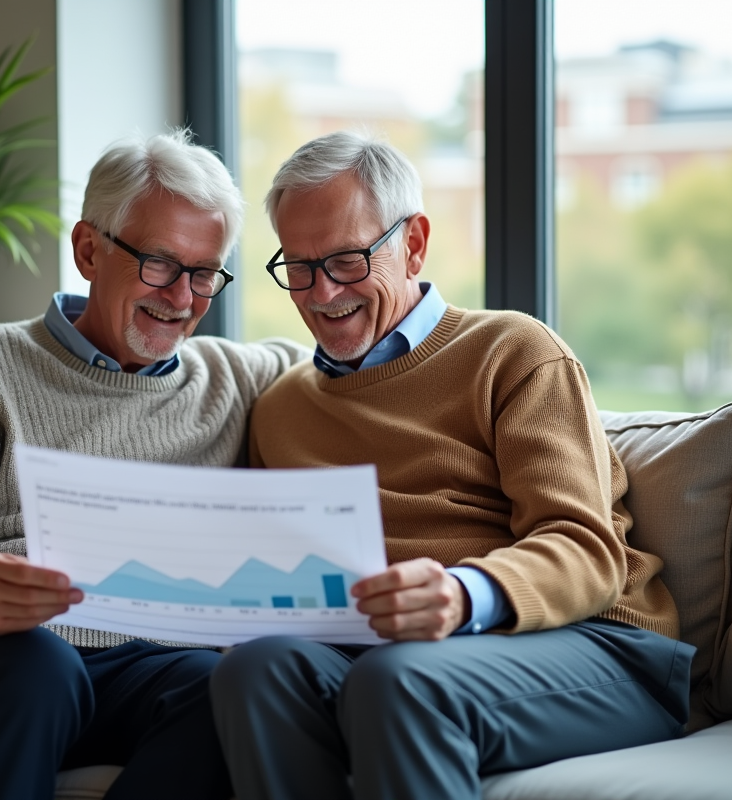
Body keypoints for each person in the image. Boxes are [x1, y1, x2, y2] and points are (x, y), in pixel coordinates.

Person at [209, 131, 694, 800]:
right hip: (393, 652)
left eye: (347, 260)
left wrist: (465, 593)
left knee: (398, 681)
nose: (321, 293)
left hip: (596, 643)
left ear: (412, 244)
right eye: (298, 266)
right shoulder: (282, 407)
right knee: (253, 672)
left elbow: (587, 550)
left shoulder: (512, 352)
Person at [0, 129, 306, 800]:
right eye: (159, 263)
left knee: (227, 688)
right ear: (88, 250)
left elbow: (362, 368)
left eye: (204, 272)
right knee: (40, 666)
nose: (182, 298)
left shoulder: (236, 378)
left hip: (144, 666)